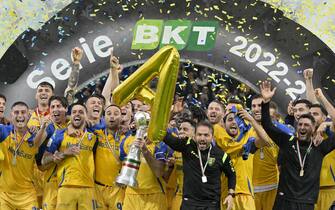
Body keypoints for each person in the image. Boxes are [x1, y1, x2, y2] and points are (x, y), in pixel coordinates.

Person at [260, 81, 335, 210]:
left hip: (306, 203)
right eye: (300, 124)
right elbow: (267, 125)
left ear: (313, 128)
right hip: (284, 201)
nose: (302, 127)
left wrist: (326, 124)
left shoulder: (320, 147)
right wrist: (266, 102)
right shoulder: (287, 141)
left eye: (306, 125)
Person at [163, 120, 236, 210]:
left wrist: (231, 194)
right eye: (199, 135)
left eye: (206, 135)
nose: (202, 138)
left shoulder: (221, 155)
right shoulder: (187, 146)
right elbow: (166, 137)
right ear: (194, 136)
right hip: (189, 203)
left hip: (211, 204)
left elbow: (232, 174)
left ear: (212, 137)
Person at [44, 103, 98, 210]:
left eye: (81, 112)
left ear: (86, 116)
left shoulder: (94, 136)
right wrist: (63, 153)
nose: (77, 114)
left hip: (89, 188)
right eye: (74, 112)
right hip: (66, 187)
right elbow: (44, 160)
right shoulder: (59, 134)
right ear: (70, 116)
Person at [0, 101, 45, 209]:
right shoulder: (3, 131)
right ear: (11, 115)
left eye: (23, 112)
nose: (20, 115)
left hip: (28, 196)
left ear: (28, 115)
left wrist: (42, 127)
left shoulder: (35, 136)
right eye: (16, 112)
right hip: (4, 195)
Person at [122, 114, 172, 210]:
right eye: (141, 122)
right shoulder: (127, 141)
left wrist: (145, 151)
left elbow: (159, 172)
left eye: (147, 123)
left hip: (154, 195)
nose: (144, 126)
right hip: (131, 194)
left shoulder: (160, 143)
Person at [90, 104, 134, 210]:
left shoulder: (128, 137)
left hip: (119, 189)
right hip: (98, 189)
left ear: (121, 117)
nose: (112, 117)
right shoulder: (96, 134)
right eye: (108, 114)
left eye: (116, 113)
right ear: (103, 118)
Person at [35, 96, 69, 210]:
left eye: (58, 106)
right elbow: (36, 144)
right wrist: (42, 127)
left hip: (69, 181)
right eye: (52, 107)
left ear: (66, 109)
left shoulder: (73, 125)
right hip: (51, 181)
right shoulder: (49, 127)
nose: (55, 109)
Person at [248, 95, 279, 210]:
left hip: (273, 187)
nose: (256, 109)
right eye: (253, 106)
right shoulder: (245, 129)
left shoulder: (278, 130)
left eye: (260, 105)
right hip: (251, 188)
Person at [170, 119, 196, 210]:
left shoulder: (201, 150)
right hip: (178, 197)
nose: (181, 131)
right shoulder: (174, 151)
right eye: (180, 129)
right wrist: (169, 166)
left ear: (195, 133)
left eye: (185, 129)